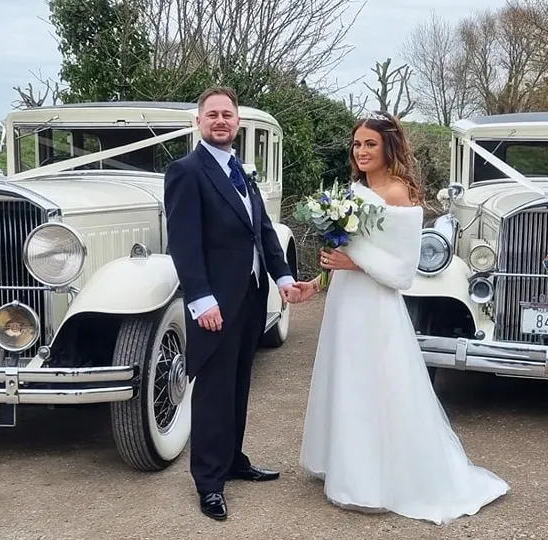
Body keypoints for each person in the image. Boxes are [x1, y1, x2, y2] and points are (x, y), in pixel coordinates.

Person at [294, 111, 510, 524]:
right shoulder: (353, 190)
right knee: (344, 379)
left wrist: (352, 260)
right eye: (357, 144)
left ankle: (373, 480)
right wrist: (317, 282)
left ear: (388, 147)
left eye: (370, 144)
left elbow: (402, 271)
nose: (361, 151)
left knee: (372, 386)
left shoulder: (398, 195)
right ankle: (341, 463)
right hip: (344, 302)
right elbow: (344, 251)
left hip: (375, 306)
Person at [163, 86, 310, 521]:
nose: (221, 121)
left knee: (239, 383)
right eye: (213, 115)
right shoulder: (186, 171)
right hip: (215, 304)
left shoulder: (241, 172)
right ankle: (208, 482)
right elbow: (184, 245)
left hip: (249, 296)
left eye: (228, 114)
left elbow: (261, 230)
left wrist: (283, 278)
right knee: (212, 391)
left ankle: (232, 460)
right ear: (199, 122)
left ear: (238, 122)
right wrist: (201, 300)